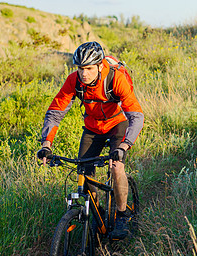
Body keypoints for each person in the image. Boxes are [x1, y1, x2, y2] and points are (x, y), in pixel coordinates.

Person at [37, 41, 144, 240]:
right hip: (93, 127)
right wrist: (46, 144)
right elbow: (55, 113)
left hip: (117, 125)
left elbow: (136, 116)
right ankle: (97, 212)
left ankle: (122, 215)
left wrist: (124, 146)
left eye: (88, 68)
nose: (83, 74)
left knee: (116, 166)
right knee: (83, 171)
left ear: (99, 66)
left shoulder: (115, 79)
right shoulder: (74, 81)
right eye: (80, 68)